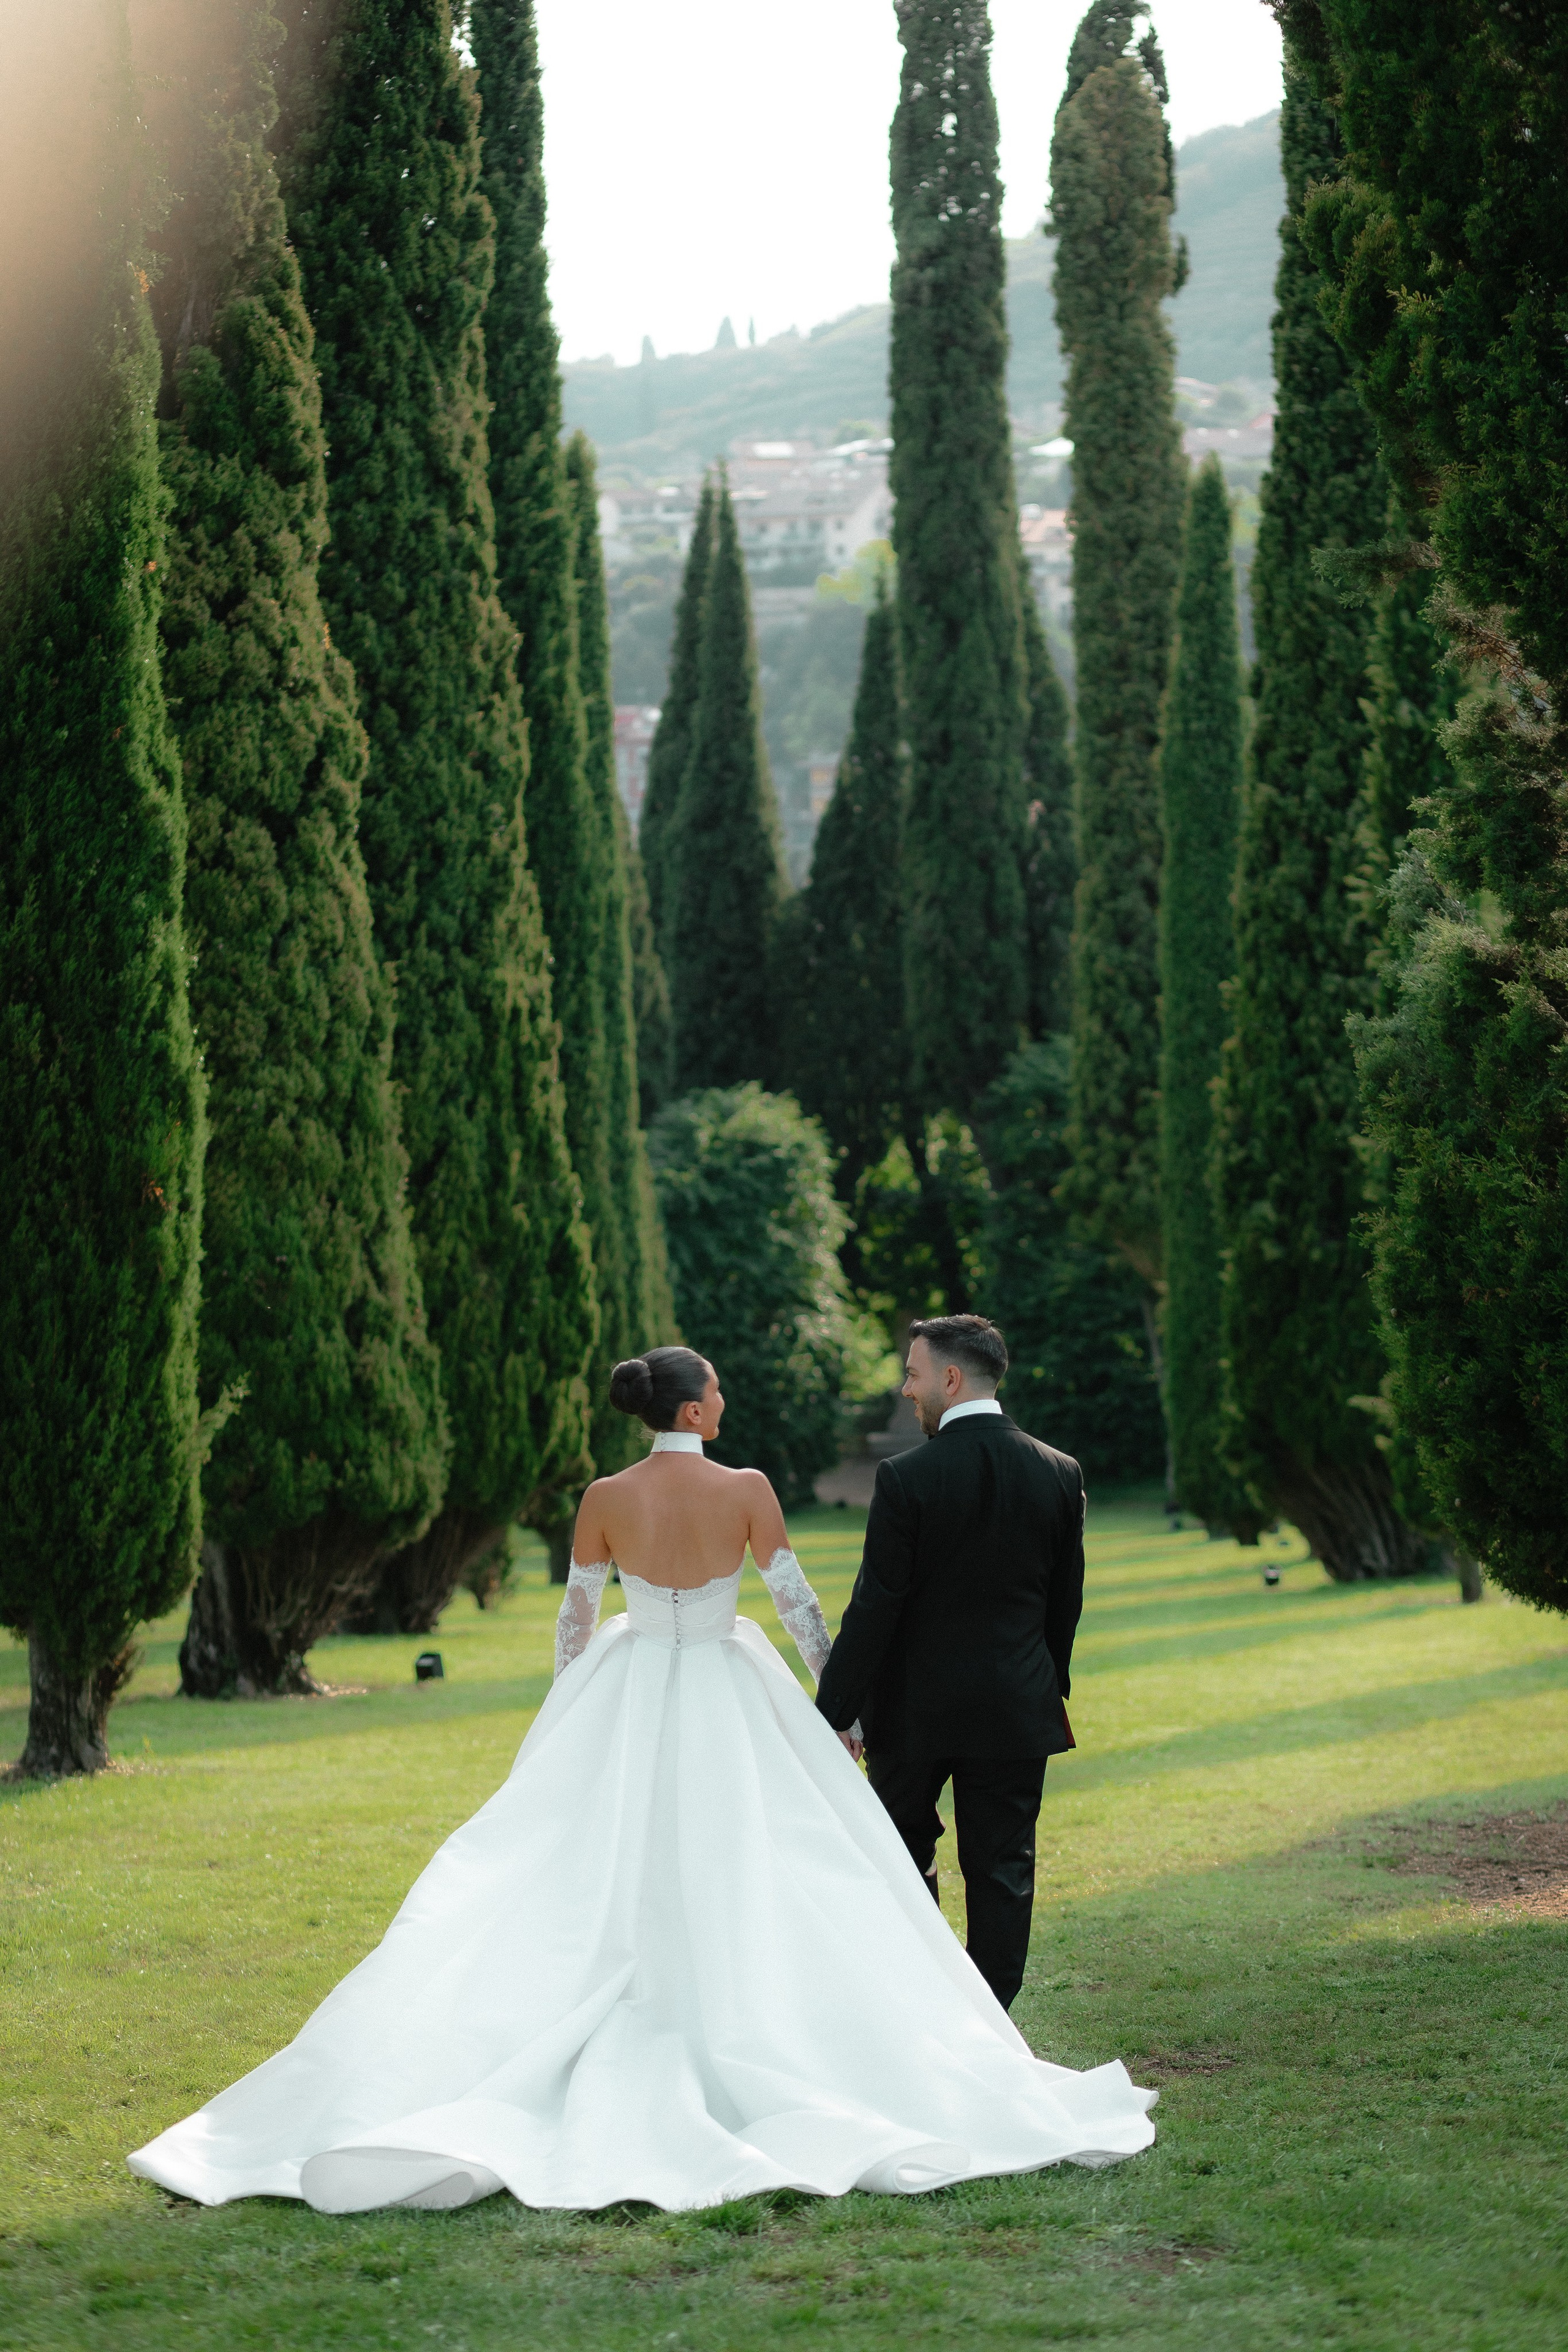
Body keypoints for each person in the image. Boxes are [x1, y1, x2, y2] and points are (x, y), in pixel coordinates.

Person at [129, 1346, 1152, 2216]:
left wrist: (573, 1709)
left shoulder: (605, 1498)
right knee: (763, 1854)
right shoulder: (746, 1489)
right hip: (725, 1679)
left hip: (630, 1684)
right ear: (697, 1409)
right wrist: (837, 1706)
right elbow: (797, 1609)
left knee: (602, 1862)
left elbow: (577, 1617)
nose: (724, 1403)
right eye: (716, 1391)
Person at [815, 1316, 1081, 2011]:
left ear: (950, 1379)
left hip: (913, 1713)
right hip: (1016, 1708)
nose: (907, 1390)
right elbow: (1063, 1606)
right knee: (1002, 1870)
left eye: (912, 1374)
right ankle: (990, 2019)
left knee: (901, 1856)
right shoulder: (1059, 1471)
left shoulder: (906, 1478)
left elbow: (875, 1609)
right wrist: (1044, 1687)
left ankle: (927, 2009)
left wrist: (831, 1714)